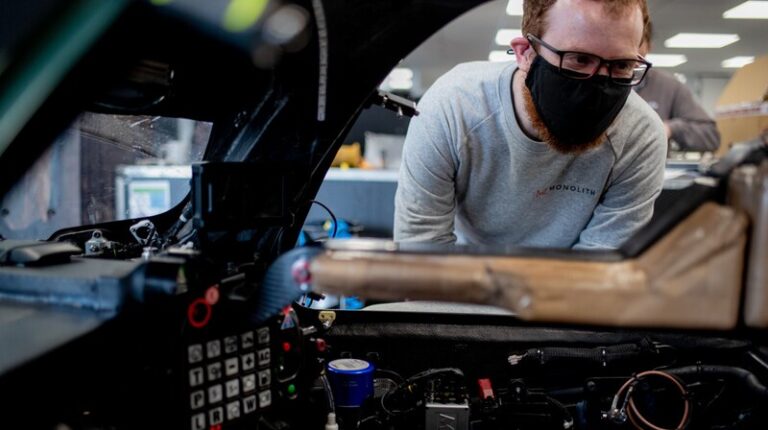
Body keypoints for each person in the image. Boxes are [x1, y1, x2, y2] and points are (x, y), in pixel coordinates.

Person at [394, 0, 667, 250]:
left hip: (568, 291)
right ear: (525, 53)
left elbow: (602, 267)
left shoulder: (640, 136)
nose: (600, 85)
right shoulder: (454, 106)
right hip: (467, 278)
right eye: (579, 59)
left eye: (622, 65)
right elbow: (421, 248)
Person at [635, 23, 721, 153]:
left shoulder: (668, 86)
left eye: (637, 42)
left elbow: (711, 136)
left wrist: (670, 128)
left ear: (648, 46)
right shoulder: (597, 79)